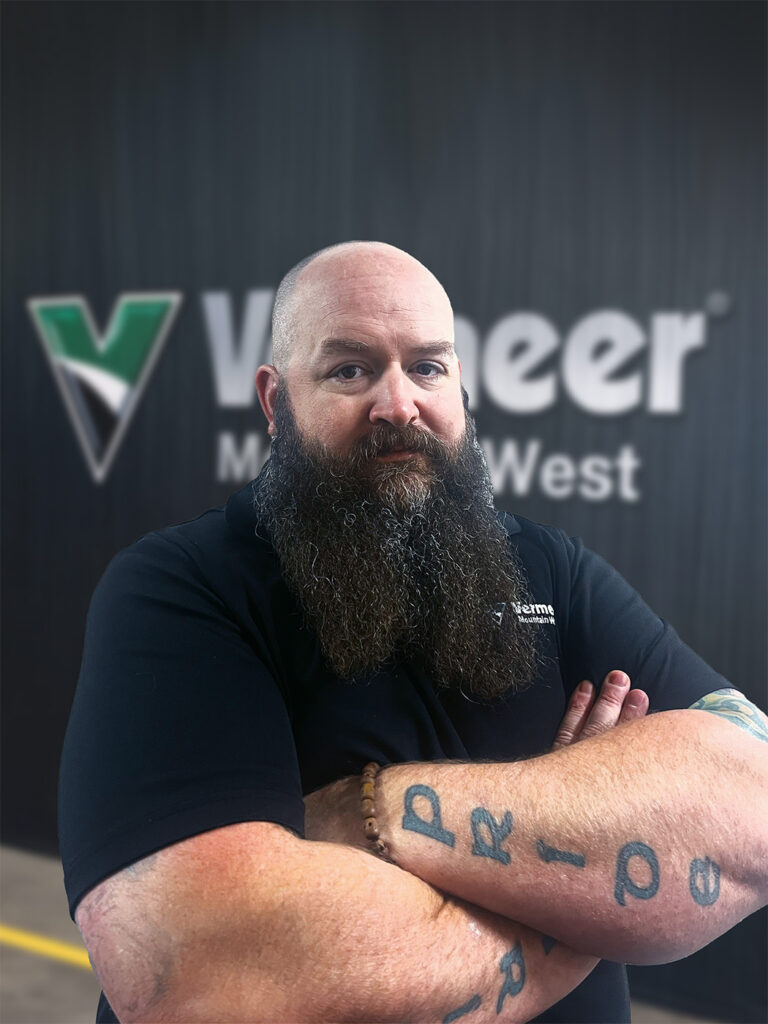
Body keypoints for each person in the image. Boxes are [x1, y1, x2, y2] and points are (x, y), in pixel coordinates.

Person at [59, 241, 768, 1024]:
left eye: (428, 367)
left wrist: (376, 811)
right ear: (274, 400)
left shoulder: (551, 569)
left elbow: (753, 799)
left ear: (460, 386)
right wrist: (588, 884)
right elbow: (207, 977)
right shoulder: (181, 589)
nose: (398, 404)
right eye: (350, 370)